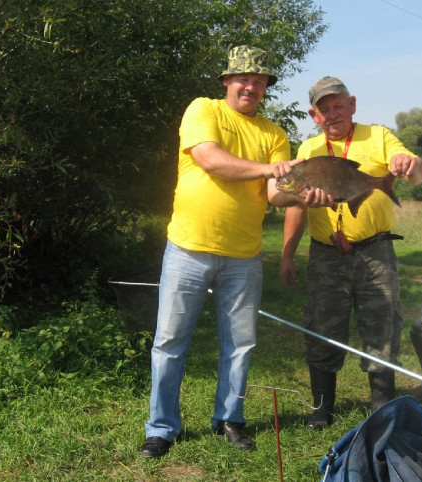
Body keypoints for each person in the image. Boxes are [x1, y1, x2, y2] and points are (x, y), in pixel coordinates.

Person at [140, 46, 330, 458]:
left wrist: (306, 197)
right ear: (227, 81)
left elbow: (276, 194)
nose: (251, 86)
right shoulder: (202, 110)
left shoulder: (274, 134)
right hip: (188, 247)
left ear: (265, 88)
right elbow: (210, 160)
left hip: (244, 255)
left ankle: (230, 419)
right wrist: (268, 169)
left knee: (241, 346)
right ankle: (161, 429)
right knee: (170, 342)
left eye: (259, 81)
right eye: (244, 78)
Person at [279, 76, 422, 430]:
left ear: (353, 105)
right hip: (325, 254)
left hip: (376, 251)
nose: (333, 114)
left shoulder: (378, 136)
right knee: (321, 325)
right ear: (314, 115)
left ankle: (382, 407)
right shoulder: (308, 152)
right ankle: (321, 409)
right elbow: (295, 207)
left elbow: (419, 175)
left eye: (338, 106)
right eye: (324, 109)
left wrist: (409, 163)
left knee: (383, 326)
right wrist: (287, 254)